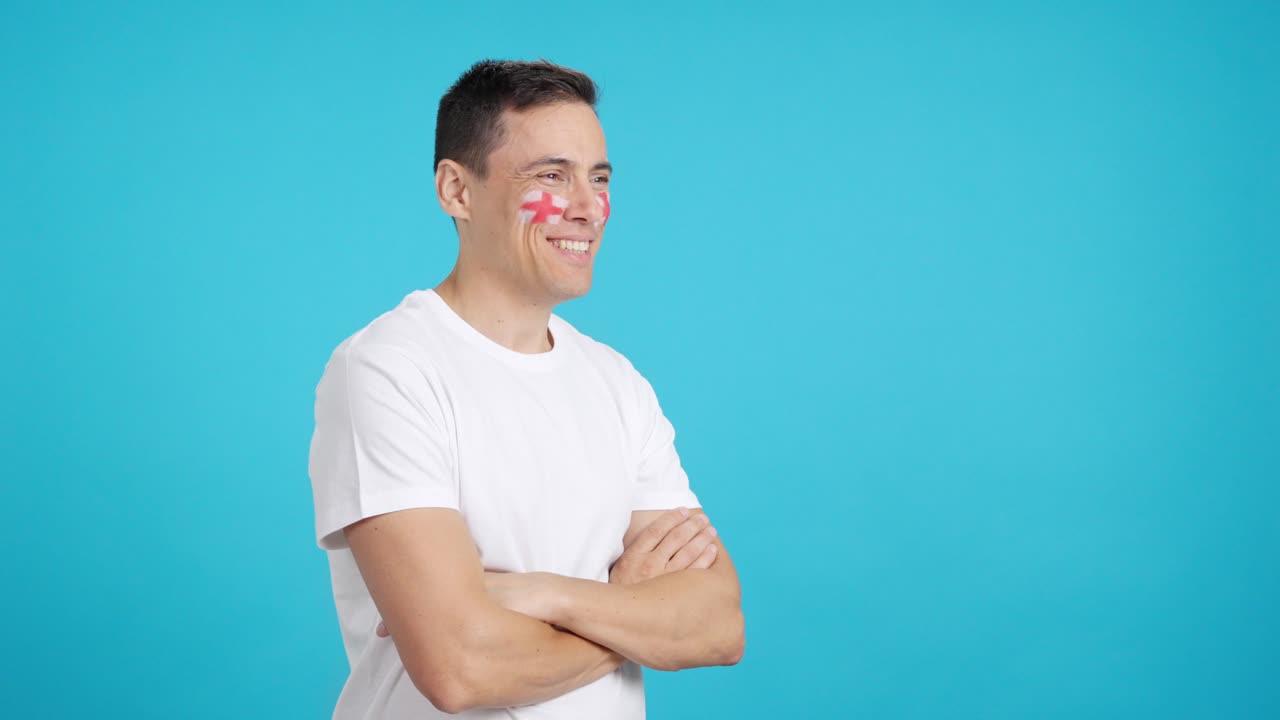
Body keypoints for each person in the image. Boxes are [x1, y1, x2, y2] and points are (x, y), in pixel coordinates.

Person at [307, 59, 744, 719]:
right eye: (551, 176)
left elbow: (718, 624)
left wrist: (547, 594)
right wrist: (629, 611)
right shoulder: (388, 370)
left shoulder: (617, 384)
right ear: (457, 190)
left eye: (599, 178)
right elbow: (460, 669)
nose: (586, 208)